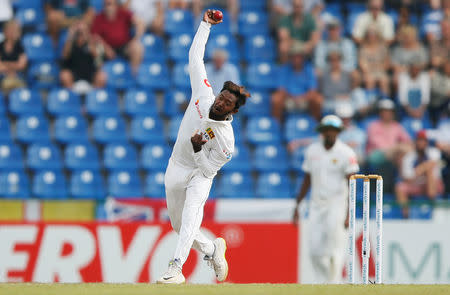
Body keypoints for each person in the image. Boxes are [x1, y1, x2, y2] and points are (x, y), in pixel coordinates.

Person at [157, 10, 250, 284]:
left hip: (200, 175)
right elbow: (195, 58)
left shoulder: (226, 140)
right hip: (176, 164)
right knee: (177, 225)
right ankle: (211, 248)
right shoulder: (203, 94)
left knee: (189, 219)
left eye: (227, 103)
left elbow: (209, 170)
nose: (220, 103)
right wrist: (205, 26)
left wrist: (198, 149)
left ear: (233, 110)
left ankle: (175, 269)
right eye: (221, 97)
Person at [293, 115, 359, 283]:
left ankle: (333, 284)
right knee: (314, 250)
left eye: (333, 130)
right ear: (322, 131)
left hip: (337, 206)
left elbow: (352, 184)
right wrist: (297, 205)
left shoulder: (346, 153)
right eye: (327, 130)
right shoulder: (312, 151)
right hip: (316, 205)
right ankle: (323, 282)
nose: (330, 133)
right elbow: (307, 180)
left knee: (334, 250)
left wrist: (349, 214)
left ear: (338, 132)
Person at [366, 99, 412, 192]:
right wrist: (397, 147)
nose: (386, 113)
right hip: (376, 155)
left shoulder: (396, 126)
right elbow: (379, 146)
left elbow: (408, 142)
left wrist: (398, 148)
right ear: (380, 112)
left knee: (403, 153)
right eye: (384, 111)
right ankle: (404, 180)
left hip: (393, 154)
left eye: (389, 111)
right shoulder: (373, 126)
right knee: (400, 152)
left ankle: (402, 184)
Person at [396, 130, 444, 218]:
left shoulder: (434, 152)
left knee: (430, 173)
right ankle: (406, 216)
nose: (421, 143)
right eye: (419, 140)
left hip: (434, 184)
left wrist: (420, 169)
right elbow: (407, 178)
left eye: (423, 140)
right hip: (417, 184)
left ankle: (434, 207)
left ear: (427, 142)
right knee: (400, 187)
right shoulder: (409, 156)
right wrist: (421, 170)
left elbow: (433, 165)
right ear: (415, 142)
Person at [272, 42, 322, 121]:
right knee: (276, 98)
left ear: (303, 58)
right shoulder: (284, 69)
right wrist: (293, 97)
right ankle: (277, 126)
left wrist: (301, 98)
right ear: (290, 57)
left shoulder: (309, 69)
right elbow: (281, 89)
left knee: (318, 99)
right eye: (294, 56)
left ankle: (314, 124)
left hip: (305, 99)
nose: (296, 59)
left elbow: (313, 90)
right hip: (288, 99)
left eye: (299, 56)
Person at [91, 0, 145, 72]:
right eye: (105, 4)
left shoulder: (123, 13)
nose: (108, 7)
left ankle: (134, 75)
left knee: (137, 47)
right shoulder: (99, 18)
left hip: (124, 46)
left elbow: (140, 23)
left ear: (116, 5)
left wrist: (136, 38)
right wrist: (106, 48)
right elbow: (94, 37)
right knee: (96, 49)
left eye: (110, 4)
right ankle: (101, 75)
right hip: (106, 47)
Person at [60, 21, 106, 91]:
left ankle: (94, 98)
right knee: (64, 75)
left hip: (89, 74)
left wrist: (88, 39)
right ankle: (72, 97)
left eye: (84, 31)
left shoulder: (92, 42)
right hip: (74, 74)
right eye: (79, 32)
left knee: (102, 76)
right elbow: (65, 56)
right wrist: (70, 36)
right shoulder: (70, 43)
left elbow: (97, 59)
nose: (81, 34)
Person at [359, 25, 391, 96]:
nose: (371, 37)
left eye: (373, 35)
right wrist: (371, 68)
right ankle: (370, 103)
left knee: (384, 80)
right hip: (368, 72)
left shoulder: (383, 47)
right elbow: (362, 64)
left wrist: (378, 67)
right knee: (369, 80)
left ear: (377, 36)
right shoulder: (363, 48)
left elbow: (387, 63)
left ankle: (385, 101)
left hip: (381, 71)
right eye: (370, 35)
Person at [0, 20, 27, 93]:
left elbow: (22, 65)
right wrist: (13, 67)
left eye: (14, 30)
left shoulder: (20, 47)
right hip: (2, 77)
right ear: (5, 31)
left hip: (17, 76)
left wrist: (6, 64)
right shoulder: (1, 46)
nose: (12, 33)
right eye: (10, 30)